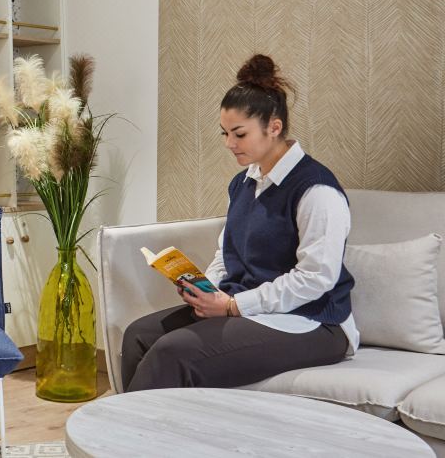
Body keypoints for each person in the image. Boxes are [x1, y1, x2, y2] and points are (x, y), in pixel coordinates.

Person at [121, 54, 358, 391]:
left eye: (239, 134)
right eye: (225, 133)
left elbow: (315, 279)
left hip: (311, 321)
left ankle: (131, 427)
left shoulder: (316, 189)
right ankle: (135, 424)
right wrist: (206, 290)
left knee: (173, 352)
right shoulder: (242, 184)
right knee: (138, 335)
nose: (229, 144)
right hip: (246, 308)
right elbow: (227, 253)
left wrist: (234, 306)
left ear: (274, 127)